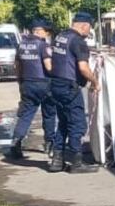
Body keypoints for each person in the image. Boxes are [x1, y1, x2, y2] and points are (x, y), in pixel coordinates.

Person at [47, 12, 99, 174]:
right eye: (89, 28)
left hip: (55, 85)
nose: (88, 32)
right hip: (70, 87)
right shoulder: (78, 41)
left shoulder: (60, 37)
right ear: (84, 25)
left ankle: (57, 161)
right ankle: (77, 163)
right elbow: (83, 68)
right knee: (77, 124)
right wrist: (95, 81)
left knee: (63, 123)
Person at [7, 19, 55, 159]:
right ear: (40, 31)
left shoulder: (21, 45)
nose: (47, 35)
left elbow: (17, 66)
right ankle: (49, 143)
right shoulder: (43, 45)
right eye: (46, 32)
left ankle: (16, 142)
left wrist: (20, 81)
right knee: (49, 114)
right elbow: (48, 67)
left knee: (26, 115)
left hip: (27, 83)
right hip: (44, 84)